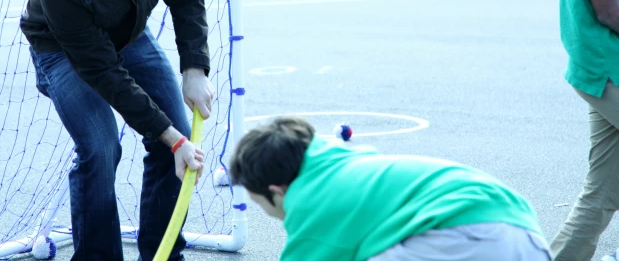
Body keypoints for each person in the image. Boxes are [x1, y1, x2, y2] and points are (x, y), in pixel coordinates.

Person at [20, 0, 215, 261]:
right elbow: (102, 71)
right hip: (63, 48)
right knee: (101, 146)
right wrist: (173, 139)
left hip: (128, 31)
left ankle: (161, 254)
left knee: (173, 131)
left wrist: (194, 68)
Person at [230, 116, 551, 261]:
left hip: (463, 240)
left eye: (260, 202)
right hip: (527, 236)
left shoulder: (313, 204)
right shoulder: (345, 163)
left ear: (277, 191)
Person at [550, 0, 619, 261]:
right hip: (610, 74)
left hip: (597, 72)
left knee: (602, 192)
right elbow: (610, 9)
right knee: (601, 191)